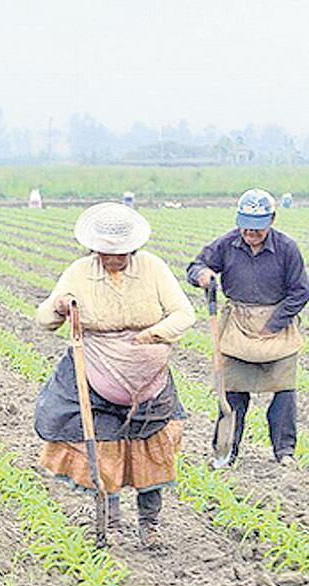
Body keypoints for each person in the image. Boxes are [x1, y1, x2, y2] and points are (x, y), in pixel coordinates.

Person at [35, 203, 194, 547]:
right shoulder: (78, 272)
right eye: (107, 252)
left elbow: (183, 314)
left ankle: (150, 526)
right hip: (97, 374)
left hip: (149, 378)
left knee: (151, 449)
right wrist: (60, 306)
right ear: (94, 248)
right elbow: (45, 319)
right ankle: (111, 526)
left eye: (121, 252)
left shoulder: (153, 268)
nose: (114, 258)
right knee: (105, 450)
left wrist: (150, 336)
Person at [187, 189, 309, 467]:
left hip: (277, 325)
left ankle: (284, 452)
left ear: (272, 221)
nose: (251, 233)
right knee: (232, 392)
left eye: (258, 228)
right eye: (247, 226)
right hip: (238, 324)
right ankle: (226, 451)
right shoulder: (227, 243)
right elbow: (196, 265)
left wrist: (274, 324)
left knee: (285, 391)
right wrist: (202, 275)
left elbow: (300, 292)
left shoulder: (287, 248)